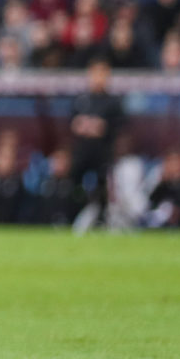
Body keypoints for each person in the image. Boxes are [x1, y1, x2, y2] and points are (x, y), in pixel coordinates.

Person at [69, 58, 125, 232]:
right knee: (73, 182)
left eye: (102, 73)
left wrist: (100, 127)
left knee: (103, 187)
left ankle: (102, 220)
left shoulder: (113, 102)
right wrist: (83, 126)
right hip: (83, 152)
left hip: (103, 153)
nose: (98, 78)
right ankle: (72, 216)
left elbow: (118, 126)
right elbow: (72, 123)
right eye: (95, 73)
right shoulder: (81, 99)